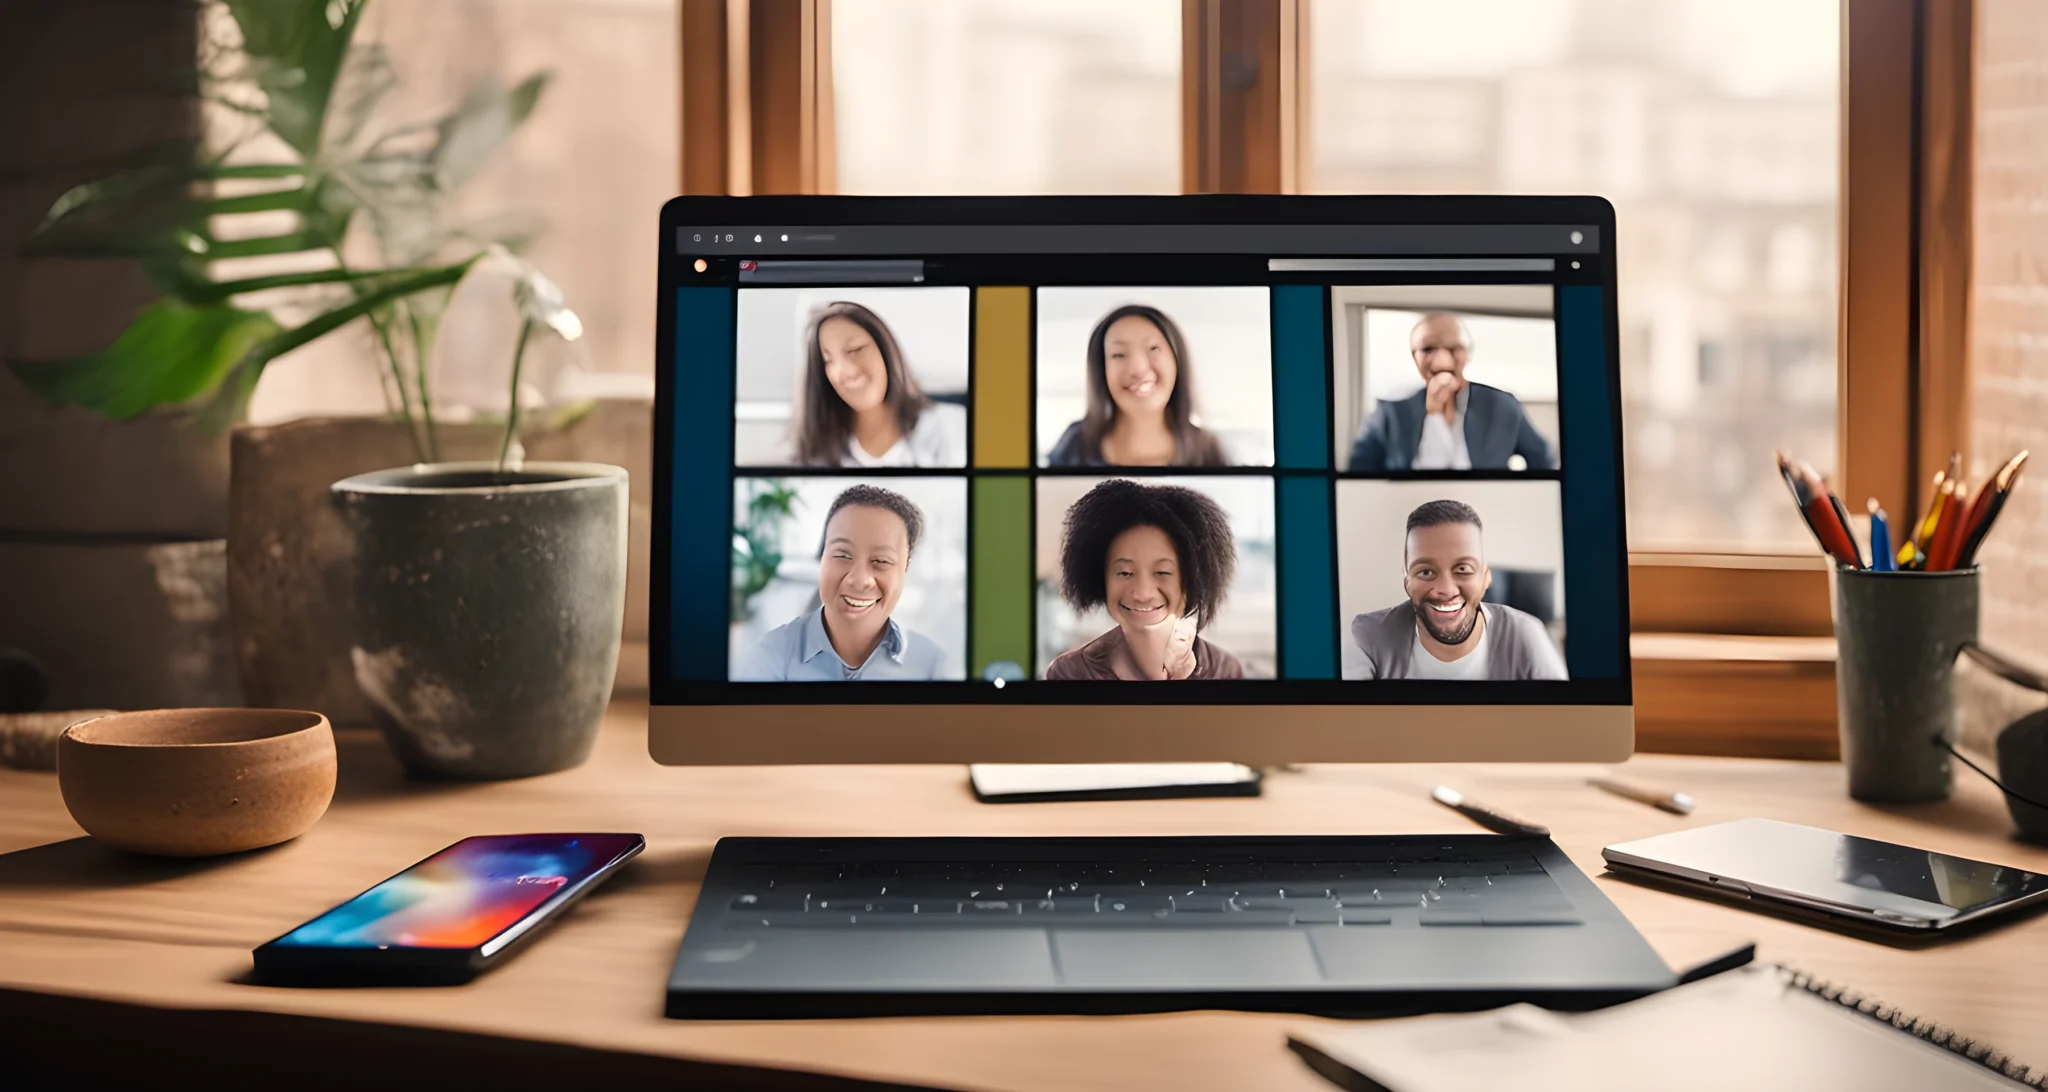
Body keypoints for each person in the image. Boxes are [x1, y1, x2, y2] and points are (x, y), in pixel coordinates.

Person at [732, 485, 948, 680]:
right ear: (822, 557)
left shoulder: (932, 665)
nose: (859, 580)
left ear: (905, 568)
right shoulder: (768, 658)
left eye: (881, 561)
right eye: (843, 555)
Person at [1346, 499, 1566, 681]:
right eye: (1425, 572)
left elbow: (1565, 722)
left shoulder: (1525, 633)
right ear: (1406, 578)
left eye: (1463, 569)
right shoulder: (1367, 635)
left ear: (1485, 576)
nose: (1445, 590)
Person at [1046, 479, 1244, 680]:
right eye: (1125, 573)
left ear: (1193, 578)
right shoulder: (1071, 673)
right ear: (1100, 577)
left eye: (1162, 572)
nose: (1142, 593)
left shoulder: (1223, 670)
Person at [1344, 312, 1558, 472]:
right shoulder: (1390, 410)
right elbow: (1357, 473)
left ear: (1467, 354)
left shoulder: (1503, 405)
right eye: (1428, 349)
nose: (1441, 361)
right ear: (1414, 356)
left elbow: (1547, 461)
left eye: (1453, 349)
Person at [1045, 304, 1229, 468]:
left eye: (1153, 348)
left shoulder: (1208, 450)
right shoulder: (1074, 445)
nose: (1138, 369)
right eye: (1118, 355)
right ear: (1101, 370)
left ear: (1176, 359)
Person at [792, 301, 965, 468]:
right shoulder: (816, 454)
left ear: (884, 349)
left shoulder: (951, 427)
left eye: (855, 350)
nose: (845, 372)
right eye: (827, 361)